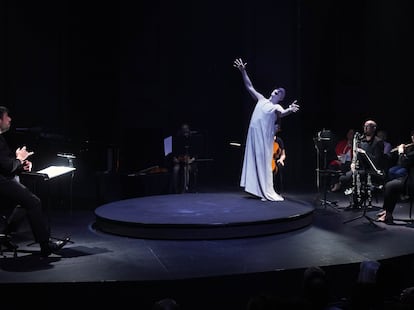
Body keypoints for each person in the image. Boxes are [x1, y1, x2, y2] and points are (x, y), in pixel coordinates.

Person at [0, 106, 69, 257]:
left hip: (5, 179)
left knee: (26, 202)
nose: (10, 119)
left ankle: (4, 235)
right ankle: (45, 245)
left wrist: (21, 164)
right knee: (34, 202)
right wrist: (19, 159)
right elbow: (7, 166)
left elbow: (6, 164)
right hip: (2, 182)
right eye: (7, 116)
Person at [233, 58, 299, 201]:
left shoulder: (276, 107)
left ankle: (265, 190)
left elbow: (282, 113)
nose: (277, 91)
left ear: (280, 98)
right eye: (277, 90)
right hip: (253, 135)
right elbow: (249, 87)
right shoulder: (261, 99)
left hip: (264, 137)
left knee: (263, 162)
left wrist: (290, 109)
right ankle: (256, 189)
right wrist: (243, 71)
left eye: (280, 93)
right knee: (253, 160)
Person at [338, 120, 385, 208]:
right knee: (343, 178)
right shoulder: (361, 140)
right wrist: (353, 163)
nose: (365, 128)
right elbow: (356, 155)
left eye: (368, 126)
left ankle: (359, 199)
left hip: (372, 169)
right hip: (360, 168)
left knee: (356, 176)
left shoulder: (378, 142)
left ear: (374, 128)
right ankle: (354, 198)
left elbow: (377, 160)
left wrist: (365, 153)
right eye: (364, 126)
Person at [376, 141, 414, 223]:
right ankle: (387, 211)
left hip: (412, 181)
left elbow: (403, 164)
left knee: (390, 186)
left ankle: (387, 213)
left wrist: (401, 152)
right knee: (391, 184)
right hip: (410, 178)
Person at [170, 123, 199, 194]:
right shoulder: (178, 140)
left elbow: (196, 154)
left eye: (186, 129)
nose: (185, 131)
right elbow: (174, 151)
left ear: (189, 130)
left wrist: (191, 160)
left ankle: (184, 189)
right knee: (175, 169)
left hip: (189, 161)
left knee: (186, 169)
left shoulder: (193, 140)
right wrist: (175, 158)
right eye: (183, 129)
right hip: (180, 161)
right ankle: (176, 190)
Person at [272, 123, 286, 194]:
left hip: (275, 160)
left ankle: (278, 191)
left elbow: (283, 155)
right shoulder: (266, 139)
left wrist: (281, 159)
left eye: (277, 128)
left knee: (279, 166)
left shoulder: (279, 140)